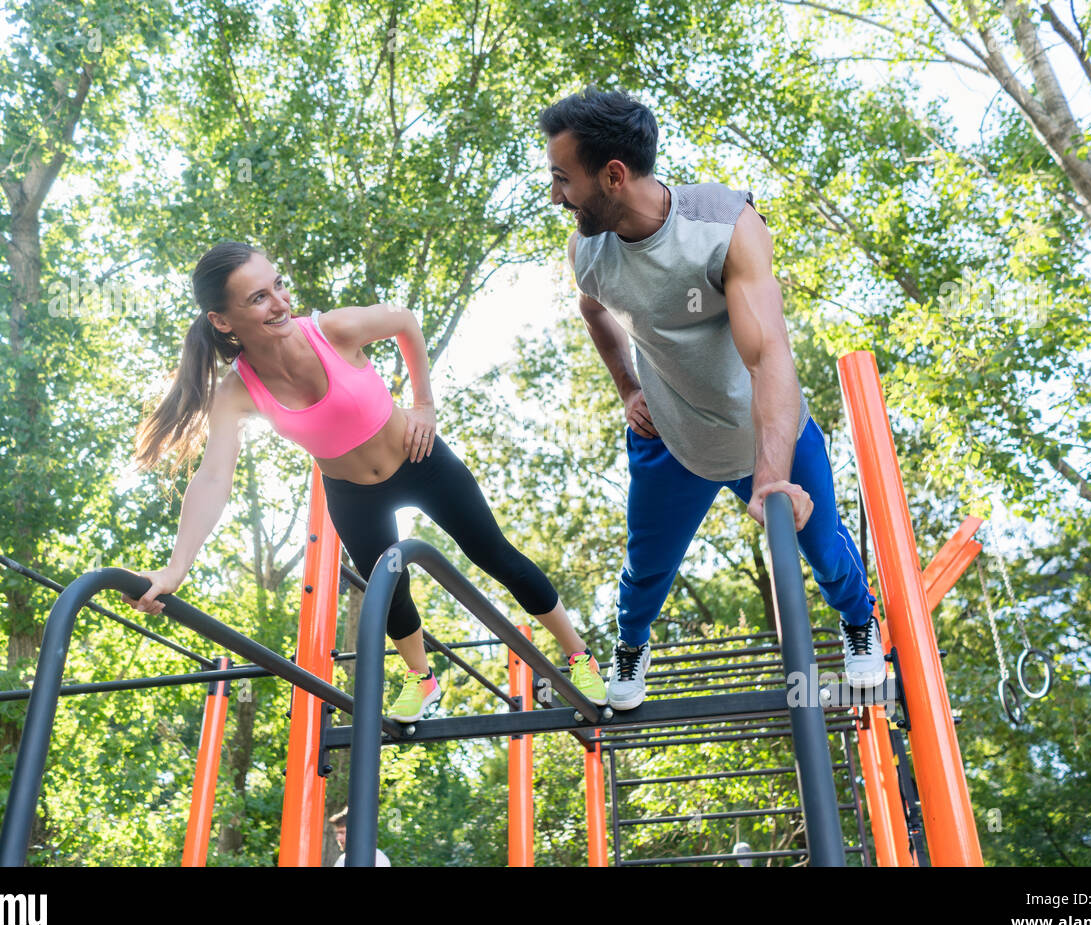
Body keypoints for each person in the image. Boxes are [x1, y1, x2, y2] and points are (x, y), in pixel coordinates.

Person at [121, 241, 607, 720]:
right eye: (259, 298)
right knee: (388, 591)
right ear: (222, 321)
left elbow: (404, 321)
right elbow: (212, 480)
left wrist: (424, 405)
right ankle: (422, 679)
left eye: (278, 285)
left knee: (495, 556)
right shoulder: (236, 392)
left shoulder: (332, 330)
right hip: (353, 494)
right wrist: (174, 570)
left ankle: (579, 656)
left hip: (420, 461)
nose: (280, 302)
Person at [539, 87, 885, 711]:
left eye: (563, 179)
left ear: (613, 175)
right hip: (673, 438)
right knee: (645, 570)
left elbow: (768, 355)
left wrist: (774, 481)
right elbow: (593, 310)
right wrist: (627, 388)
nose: (555, 195)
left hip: (765, 434)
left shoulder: (723, 226)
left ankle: (860, 621)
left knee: (826, 550)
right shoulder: (587, 251)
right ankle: (631, 647)